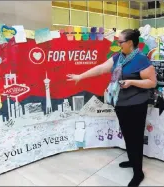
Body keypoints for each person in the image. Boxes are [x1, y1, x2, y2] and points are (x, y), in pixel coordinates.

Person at [67, 29, 157, 186]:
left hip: (136, 105)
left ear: (130, 43)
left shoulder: (141, 60)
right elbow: (101, 68)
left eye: (120, 42)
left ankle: (138, 172)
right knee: (128, 136)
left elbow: (152, 82)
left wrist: (132, 82)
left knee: (135, 138)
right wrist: (80, 76)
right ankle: (132, 161)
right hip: (120, 103)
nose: (118, 44)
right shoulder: (119, 58)